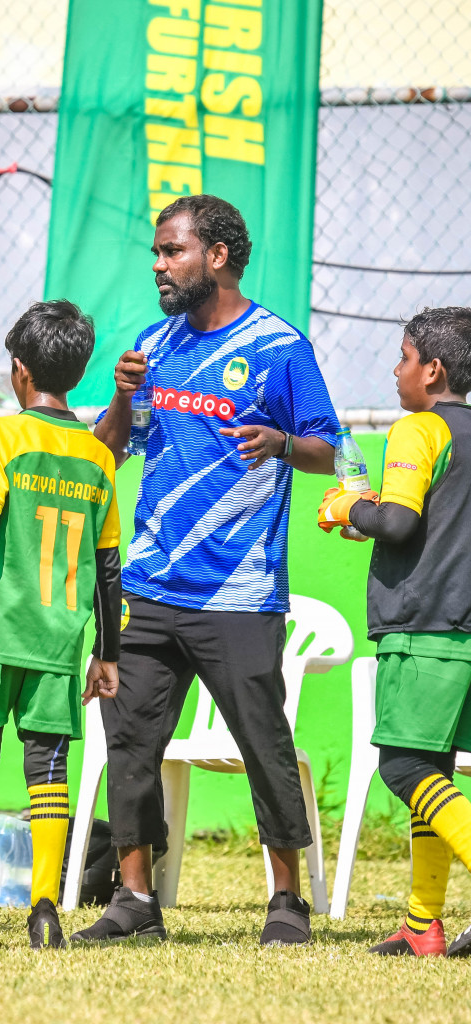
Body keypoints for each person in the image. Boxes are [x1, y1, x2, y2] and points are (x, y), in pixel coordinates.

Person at [75, 194, 341, 946]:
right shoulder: (152, 347)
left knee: (263, 743)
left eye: (172, 252)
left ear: (216, 256)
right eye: (157, 253)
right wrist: (124, 399)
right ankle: (133, 900)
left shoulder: (278, 345)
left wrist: (286, 444)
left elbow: (339, 450)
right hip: (149, 587)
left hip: (240, 591)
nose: (159, 266)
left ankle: (286, 901)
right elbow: (108, 450)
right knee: (129, 742)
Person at [0, 301, 121, 950]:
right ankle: (45, 910)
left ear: (19, 371)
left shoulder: (1, 435)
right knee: (48, 768)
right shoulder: (98, 454)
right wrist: (107, 651)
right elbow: (107, 566)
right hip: (59, 637)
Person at [318, 307, 471, 958]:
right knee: (434, 769)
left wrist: (345, 505)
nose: (394, 369)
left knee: (406, 766)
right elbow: (428, 520)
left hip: (428, 627)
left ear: (432, 369)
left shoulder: (419, 428)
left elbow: (403, 525)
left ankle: (422, 922)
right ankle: (420, 924)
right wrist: (370, 518)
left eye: (403, 356)